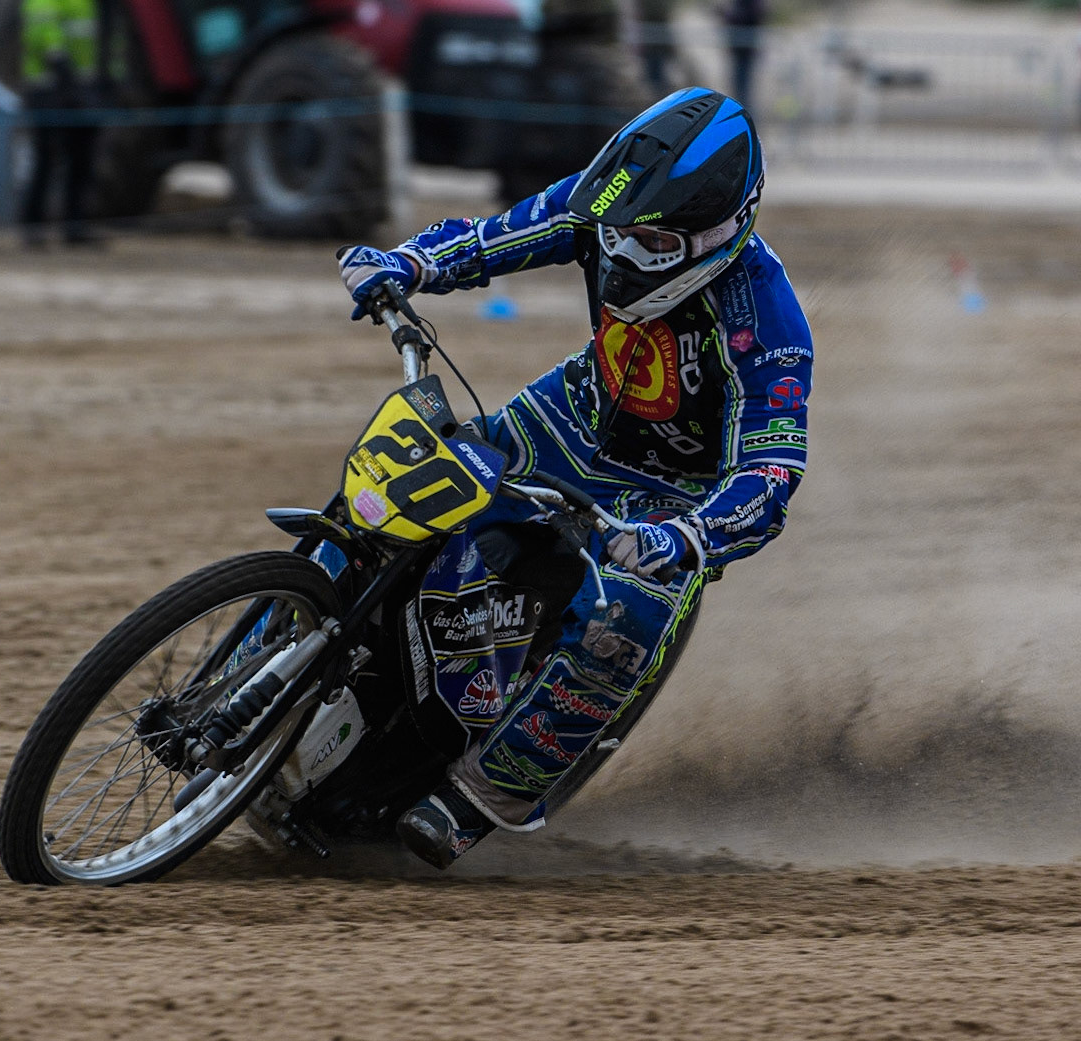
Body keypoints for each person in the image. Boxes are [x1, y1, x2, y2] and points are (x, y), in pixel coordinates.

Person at [338, 86, 813, 870]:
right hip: (566, 417)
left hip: (665, 498)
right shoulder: (605, 205)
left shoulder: (768, 326)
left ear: (721, 233)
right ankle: (286, 623)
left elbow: (772, 471)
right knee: (401, 473)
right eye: (617, 235)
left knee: (625, 619)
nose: (622, 256)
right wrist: (408, 263)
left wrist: (687, 537)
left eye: (652, 247)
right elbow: (497, 236)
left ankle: (481, 797)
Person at [18, 0, 101, 245]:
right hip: (49, 88)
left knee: (81, 161)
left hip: (82, 90)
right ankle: (33, 227)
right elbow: (43, 33)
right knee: (45, 159)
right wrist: (60, 64)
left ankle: (74, 228)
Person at [719, 0, 765, 111]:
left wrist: (726, 14)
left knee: (743, 91)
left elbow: (746, 17)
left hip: (745, 52)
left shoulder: (750, 5)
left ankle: (742, 114)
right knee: (737, 88)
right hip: (738, 51)